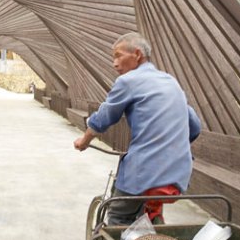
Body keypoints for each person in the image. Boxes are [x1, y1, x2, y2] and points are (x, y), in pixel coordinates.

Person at [74, 32, 201, 225]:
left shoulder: (128, 81)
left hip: (144, 171)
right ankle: (155, 236)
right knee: (149, 214)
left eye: (118, 56)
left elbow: (105, 116)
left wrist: (84, 141)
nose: (114, 63)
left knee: (119, 216)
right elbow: (195, 126)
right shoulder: (170, 82)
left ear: (137, 54)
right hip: (177, 175)